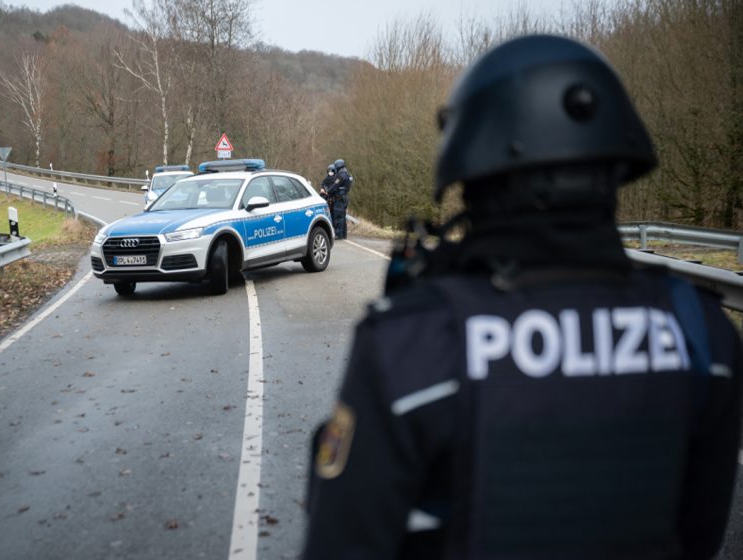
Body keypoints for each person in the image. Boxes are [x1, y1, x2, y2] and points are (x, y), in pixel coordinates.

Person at [303, 34, 742, 560]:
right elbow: (699, 534)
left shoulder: (407, 344)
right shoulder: (705, 336)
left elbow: (343, 540)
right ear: (614, 163)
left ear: (472, 167)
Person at [326, 158, 352, 239]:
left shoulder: (341, 175)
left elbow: (335, 185)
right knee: (343, 217)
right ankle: (344, 235)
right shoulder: (347, 174)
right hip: (344, 197)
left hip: (339, 198)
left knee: (338, 217)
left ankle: (339, 234)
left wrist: (328, 192)